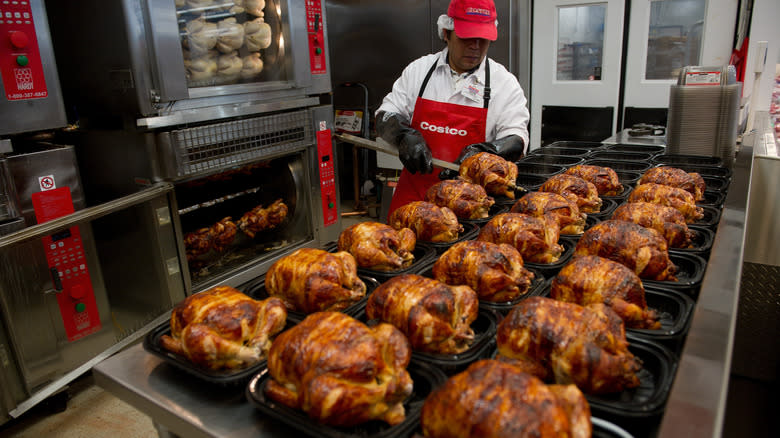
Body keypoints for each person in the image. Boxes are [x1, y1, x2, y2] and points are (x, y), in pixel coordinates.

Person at [376, 0, 530, 217]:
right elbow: (386, 114)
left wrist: (483, 154)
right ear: (447, 33)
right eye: (467, 37)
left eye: (483, 39)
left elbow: (516, 139)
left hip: (469, 207)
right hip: (413, 201)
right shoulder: (420, 71)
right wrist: (404, 136)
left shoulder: (504, 83)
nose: (475, 46)